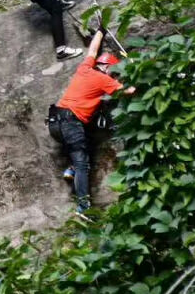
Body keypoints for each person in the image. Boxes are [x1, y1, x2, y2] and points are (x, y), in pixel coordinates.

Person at [52, 26, 136, 216]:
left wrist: (100, 31)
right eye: (113, 73)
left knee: (86, 135)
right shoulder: (103, 79)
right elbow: (129, 92)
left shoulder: (85, 68)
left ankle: (71, 168)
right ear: (108, 68)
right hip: (71, 123)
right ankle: (83, 207)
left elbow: (92, 50)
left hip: (56, 122)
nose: (113, 77)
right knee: (83, 163)